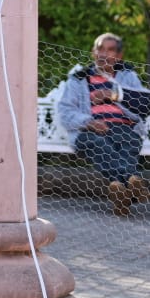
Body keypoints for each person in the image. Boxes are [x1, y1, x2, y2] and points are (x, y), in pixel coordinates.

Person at [55, 33, 148, 215]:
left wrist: (113, 94)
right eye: (100, 49)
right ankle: (132, 182)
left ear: (119, 56)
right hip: (89, 130)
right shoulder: (79, 79)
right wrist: (89, 122)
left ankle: (120, 192)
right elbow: (65, 112)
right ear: (93, 52)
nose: (104, 54)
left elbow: (144, 102)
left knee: (129, 142)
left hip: (124, 127)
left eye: (110, 50)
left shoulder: (128, 76)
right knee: (97, 143)